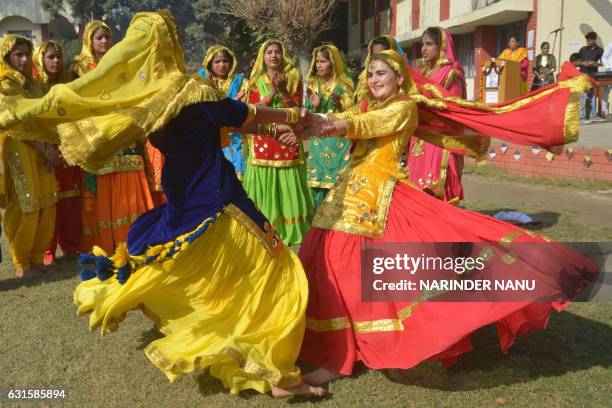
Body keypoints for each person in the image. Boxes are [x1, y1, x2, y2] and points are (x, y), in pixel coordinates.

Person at [0, 11, 325, 398]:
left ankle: (231, 335)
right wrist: (294, 115)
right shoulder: (191, 90)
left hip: (185, 199)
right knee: (274, 267)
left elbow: (230, 121)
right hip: (217, 198)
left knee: (218, 272)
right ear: (170, 45)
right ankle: (275, 372)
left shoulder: (146, 102)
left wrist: (276, 126)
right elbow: (241, 113)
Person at [284, 50, 597, 385]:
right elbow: (351, 117)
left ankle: (339, 357)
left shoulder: (402, 108)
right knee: (327, 264)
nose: (374, 79)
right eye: (370, 74)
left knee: (357, 272)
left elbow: (364, 125)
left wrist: (323, 125)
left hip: (378, 200)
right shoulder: (371, 105)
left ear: (399, 78)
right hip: (347, 196)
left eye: (381, 73)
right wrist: (308, 129)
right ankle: (339, 345)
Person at [71, 20, 155, 254]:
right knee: (102, 185)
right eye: (99, 38)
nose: (104, 42)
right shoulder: (78, 68)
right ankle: (108, 244)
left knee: (130, 174)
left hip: (124, 132)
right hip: (96, 132)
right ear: (89, 41)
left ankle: (134, 238)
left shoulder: (120, 64)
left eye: (107, 37)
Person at [243, 40, 314, 245]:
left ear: (282, 56)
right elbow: (253, 111)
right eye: (269, 52)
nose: (273, 56)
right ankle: (264, 227)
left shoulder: (293, 78)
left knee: (288, 183)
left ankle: (291, 230)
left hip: (287, 138)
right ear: (262, 57)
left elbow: (297, 110)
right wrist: (273, 92)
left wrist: (283, 91)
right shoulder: (255, 81)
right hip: (263, 137)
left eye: (277, 52)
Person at [0, 35, 58, 278]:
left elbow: (46, 113)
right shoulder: (4, 85)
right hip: (19, 147)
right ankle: (21, 263)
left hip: (42, 148)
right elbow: (14, 122)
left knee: (47, 201)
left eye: (26, 54)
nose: (24, 59)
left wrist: (50, 146)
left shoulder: (33, 85)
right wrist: (42, 147)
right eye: (18, 55)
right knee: (27, 202)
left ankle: (36, 257)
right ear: (7, 58)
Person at [33, 41, 81, 264]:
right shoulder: (34, 87)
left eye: (58, 56)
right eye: (50, 57)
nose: (56, 61)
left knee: (71, 198)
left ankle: (72, 246)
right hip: (42, 149)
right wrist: (45, 149)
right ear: (41, 59)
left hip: (67, 146)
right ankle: (47, 251)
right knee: (48, 200)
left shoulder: (67, 84)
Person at [407, 27, 466, 203]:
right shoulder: (421, 73)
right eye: (422, 44)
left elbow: (453, 108)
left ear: (440, 47)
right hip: (419, 139)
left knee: (436, 185)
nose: (423, 49)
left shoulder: (451, 74)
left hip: (440, 139)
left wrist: (427, 107)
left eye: (429, 44)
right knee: (416, 185)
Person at [304, 44, 354, 207]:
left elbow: (352, 112)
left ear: (333, 62)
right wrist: (315, 106)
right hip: (318, 141)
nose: (319, 65)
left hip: (339, 141)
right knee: (318, 186)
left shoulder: (345, 83)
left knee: (339, 185)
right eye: (317, 61)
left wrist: (338, 104)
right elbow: (307, 113)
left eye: (323, 61)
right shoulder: (312, 84)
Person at [198, 45, 247, 179]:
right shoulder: (201, 82)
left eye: (225, 61)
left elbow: (243, 109)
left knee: (237, 176)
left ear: (231, 63)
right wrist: (232, 101)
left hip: (234, 137)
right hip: (209, 136)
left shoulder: (240, 82)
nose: (222, 65)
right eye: (217, 61)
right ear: (209, 63)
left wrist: (235, 103)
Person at [355, 35, 403, 102]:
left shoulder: (404, 102)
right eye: (374, 55)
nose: (374, 80)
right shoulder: (364, 77)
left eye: (381, 73)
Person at [577, 31, 604, 123]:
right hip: (583, 74)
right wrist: (584, 63)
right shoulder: (583, 49)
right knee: (583, 95)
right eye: (587, 40)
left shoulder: (600, 50)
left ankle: (592, 116)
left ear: (594, 40)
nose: (587, 41)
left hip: (593, 74)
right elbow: (576, 61)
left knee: (592, 96)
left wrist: (596, 63)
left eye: (589, 40)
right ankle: (582, 117)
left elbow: (603, 62)